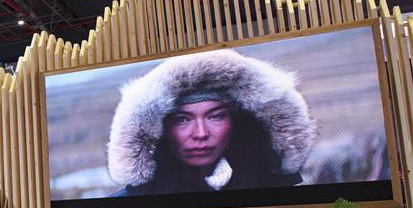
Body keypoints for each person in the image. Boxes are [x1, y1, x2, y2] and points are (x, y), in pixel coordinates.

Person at [107, 49, 315, 196]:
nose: (200, 133)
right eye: (182, 119)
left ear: (236, 122)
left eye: (216, 116)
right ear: (159, 128)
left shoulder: (285, 197)